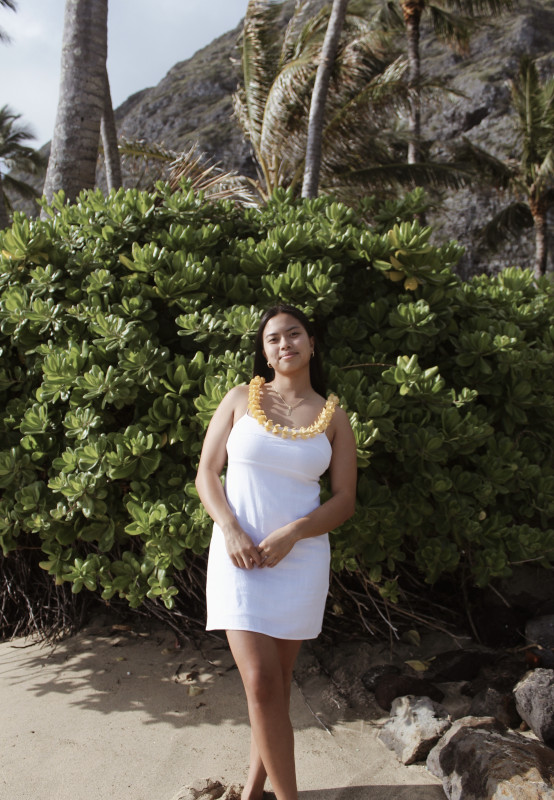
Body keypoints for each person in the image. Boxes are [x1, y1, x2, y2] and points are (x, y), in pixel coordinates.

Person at [195, 304, 357, 800]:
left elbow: (345, 501)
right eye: (273, 339)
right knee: (264, 682)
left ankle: (253, 790)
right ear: (264, 351)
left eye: (294, 334)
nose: (284, 344)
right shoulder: (242, 398)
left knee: (276, 687)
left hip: (300, 563)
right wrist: (231, 530)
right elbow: (206, 473)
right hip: (238, 560)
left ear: (311, 344)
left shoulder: (336, 418)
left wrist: (293, 534)